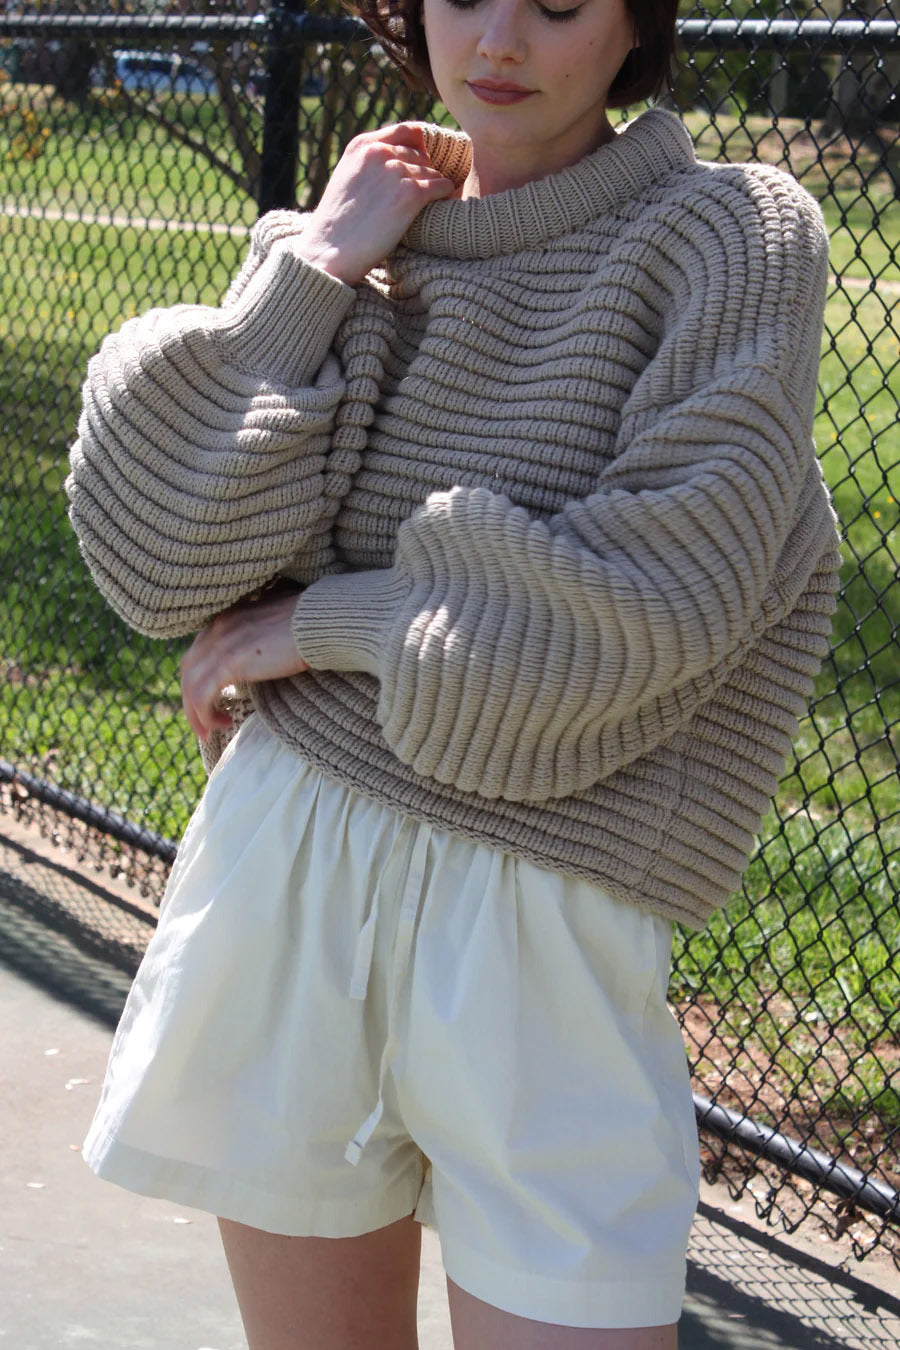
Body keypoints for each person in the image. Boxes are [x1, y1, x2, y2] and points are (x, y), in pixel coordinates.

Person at [66, 0, 841, 1343]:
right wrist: (317, 263)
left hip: (551, 931)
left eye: (558, 3)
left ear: (635, 23)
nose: (499, 41)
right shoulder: (356, 245)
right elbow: (154, 554)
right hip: (290, 874)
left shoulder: (726, 235)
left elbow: (649, 608)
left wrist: (325, 622)